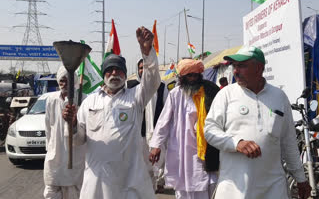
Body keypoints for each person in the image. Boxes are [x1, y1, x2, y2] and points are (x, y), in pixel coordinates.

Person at [63, 26, 160, 199]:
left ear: (125, 73)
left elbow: (152, 80)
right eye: (109, 69)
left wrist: (147, 52)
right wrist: (73, 125)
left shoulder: (136, 96)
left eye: (119, 69)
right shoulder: (90, 102)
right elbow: (78, 141)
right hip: (97, 180)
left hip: (129, 179)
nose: (114, 73)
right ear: (103, 74)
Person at [204, 46, 311, 199]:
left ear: (259, 68)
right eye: (234, 66)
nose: (235, 71)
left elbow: (289, 143)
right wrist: (236, 143)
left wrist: (301, 179)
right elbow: (209, 130)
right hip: (234, 189)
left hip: (273, 188)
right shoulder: (226, 94)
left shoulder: (279, 97)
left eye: (242, 65)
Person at [149, 59, 220, 199]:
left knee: (205, 184)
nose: (193, 78)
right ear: (182, 77)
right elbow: (164, 120)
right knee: (183, 186)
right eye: (189, 75)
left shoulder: (209, 91)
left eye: (195, 75)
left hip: (205, 147)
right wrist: (156, 145)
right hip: (181, 148)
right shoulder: (175, 94)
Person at [44, 66, 85, 199]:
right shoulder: (51, 100)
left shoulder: (83, 99)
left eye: (68, 80)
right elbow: (48, 127)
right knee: (51, 190)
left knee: (74, 193)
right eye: (62, 80)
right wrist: (50, 148)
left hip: (75, 156)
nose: (64, 84)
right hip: (55, 155)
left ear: (75, 81)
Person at [127, 58, 168, 193]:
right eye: (140, 68)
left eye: (146, 68)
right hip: (137, 136)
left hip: (156, 136)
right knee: (138, 168)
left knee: (154, 167)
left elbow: (166, 112)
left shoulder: (162, 87)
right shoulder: (131, 88)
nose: (143, 71)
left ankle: (152, 189)